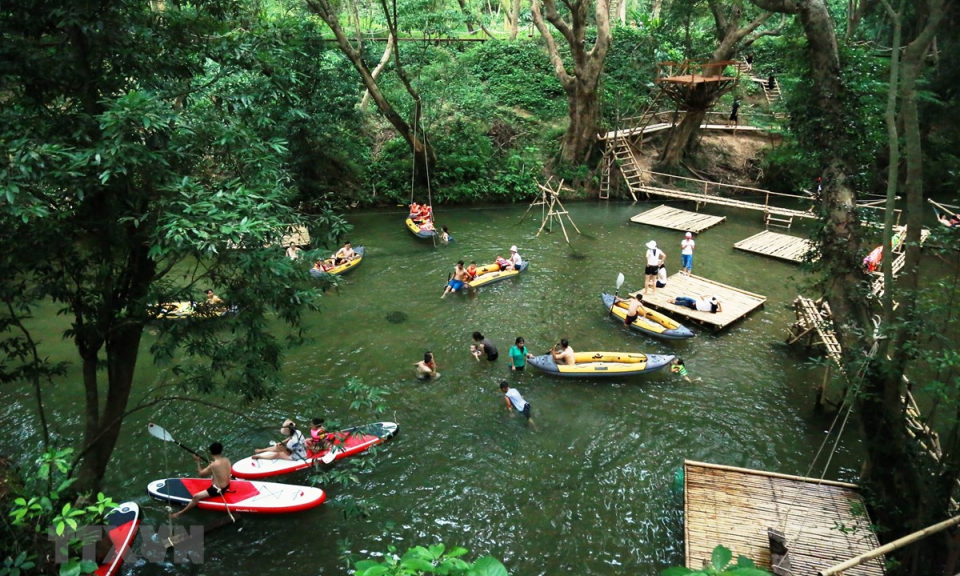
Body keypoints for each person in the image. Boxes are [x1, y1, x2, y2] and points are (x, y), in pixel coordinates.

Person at [170, 442, 232, 518]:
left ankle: (179, 514)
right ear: (221, 451)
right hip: (228, 485)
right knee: (214, 477)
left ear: (211, 452)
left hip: (218, 490)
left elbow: (201, 474)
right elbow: (221, 469)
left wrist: (197, 461)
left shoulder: (213, 465)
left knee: (195, 497)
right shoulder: (226, 460)